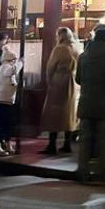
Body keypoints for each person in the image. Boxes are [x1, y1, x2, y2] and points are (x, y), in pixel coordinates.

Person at [76, 27, 105, 182]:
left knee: (85, 140)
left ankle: (83, 172)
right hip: (103, 104)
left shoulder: (83, 56)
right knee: (103, 140)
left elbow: (78, 79)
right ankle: (100, 173)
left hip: (86, 102)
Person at [40, 27, 80, 155]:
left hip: (59, 81)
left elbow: (51, 66)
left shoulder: (59, 49)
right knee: (69, 113)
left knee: (54, 113)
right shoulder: (75, 48)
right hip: (72, 81)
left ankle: (52, 145)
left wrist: (49, 80)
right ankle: (67, 143)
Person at [0, 43, 22, 155]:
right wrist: (20, 63)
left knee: (7, 123)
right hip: (0, 100)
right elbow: (12, 71)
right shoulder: (5, 67)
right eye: (13, 60)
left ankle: (6, 143)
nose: (14, 62)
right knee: (0, 123)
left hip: (6, 100)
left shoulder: (6, 67)